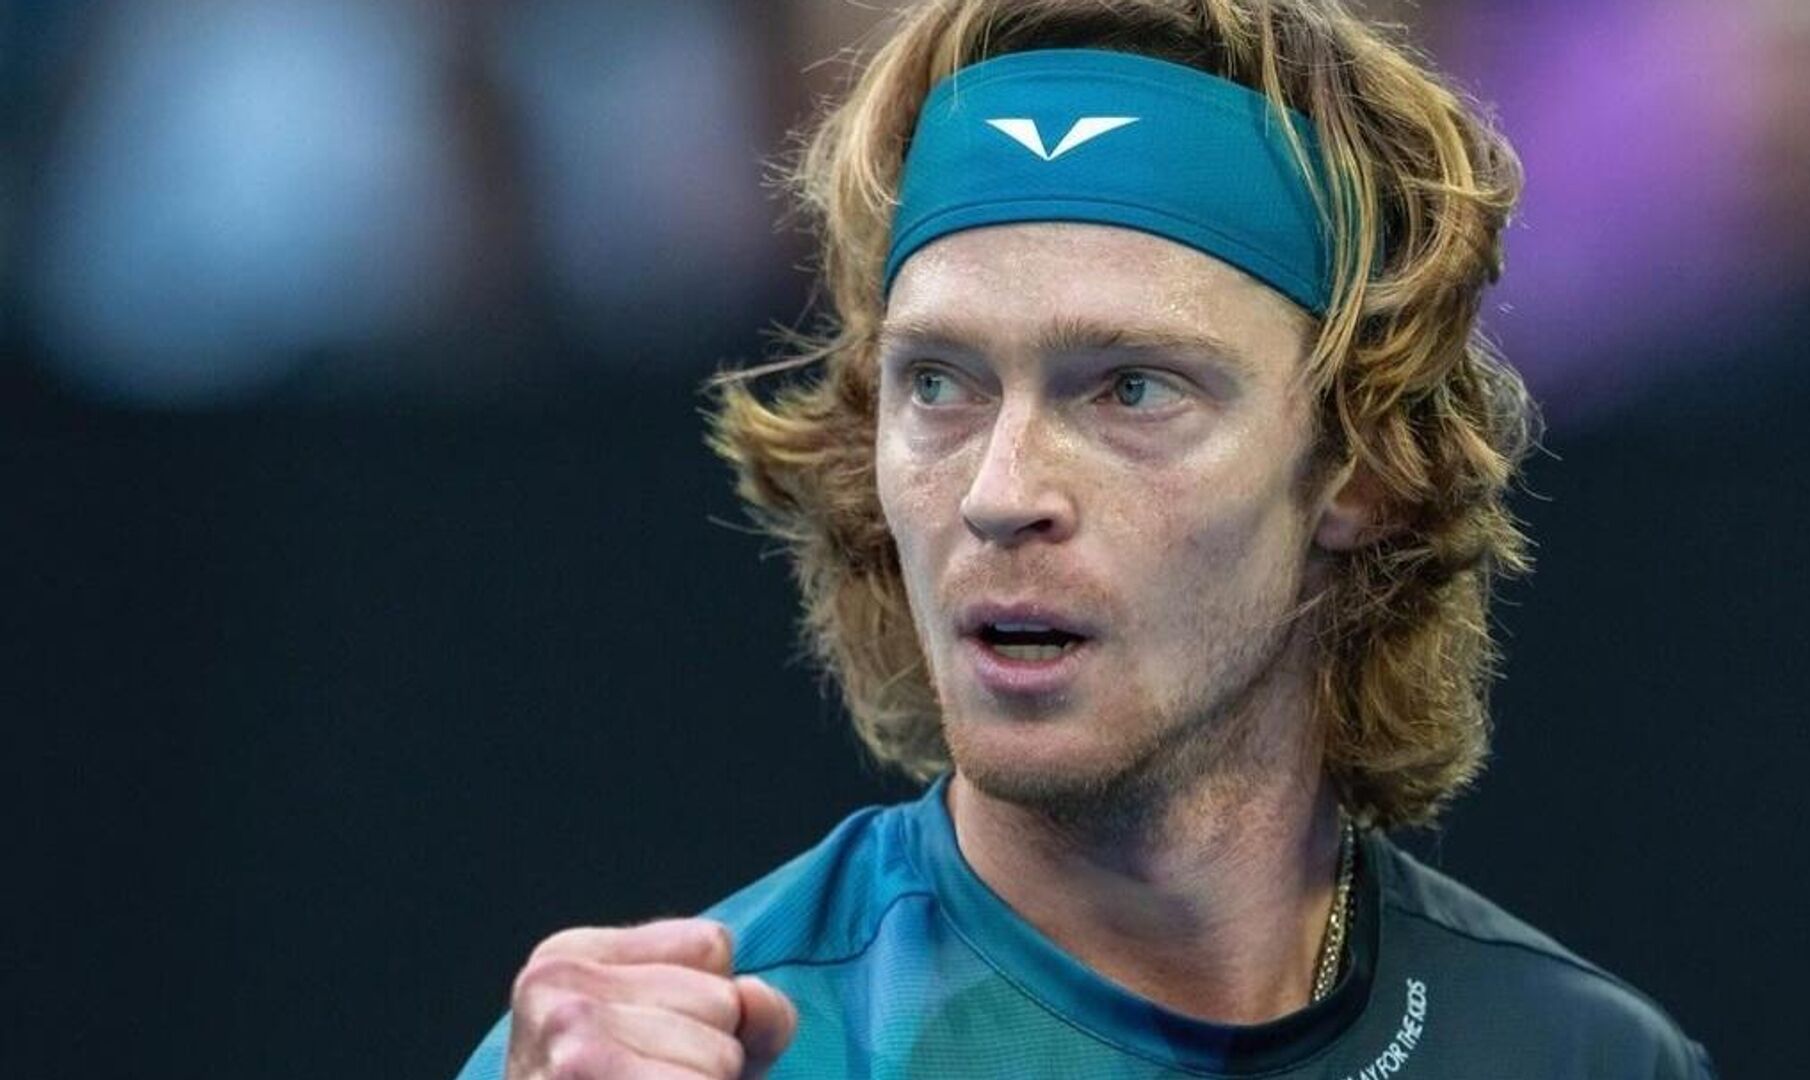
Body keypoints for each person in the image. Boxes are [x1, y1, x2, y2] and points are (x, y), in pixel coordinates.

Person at [456, 1, 1715, 1076]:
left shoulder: (1585, 1057)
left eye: (1131, 389)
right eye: (938, 384)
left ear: (1358, 466)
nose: (1000, 491)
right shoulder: (693, 1055)